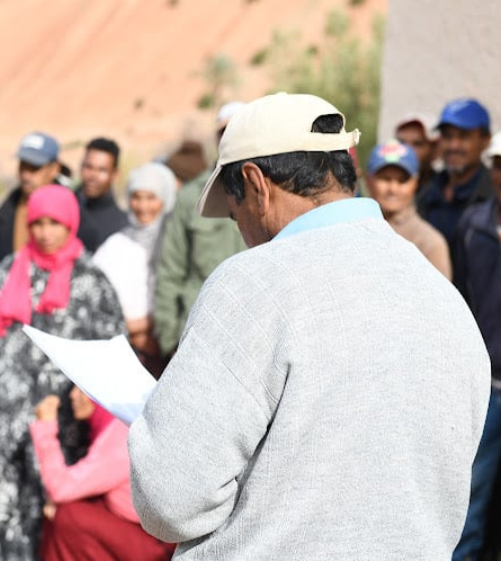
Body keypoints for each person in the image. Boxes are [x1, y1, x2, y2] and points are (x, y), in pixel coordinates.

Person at [128, 92, 490, 559]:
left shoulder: (253, 284)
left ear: (255, 184)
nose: (242, 230)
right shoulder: (444, 299)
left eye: (235, 212)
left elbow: (169, 499)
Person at [0, 184, 124, 561]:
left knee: (51, 512)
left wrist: (89, 401)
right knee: (3, 511)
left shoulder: (91, 281)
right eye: (38, 223)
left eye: (55, 223)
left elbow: (113, 352)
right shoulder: (9, 271)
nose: (46, 232)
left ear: (70, 224)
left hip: (61, 427)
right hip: (3, 422)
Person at [31, 387, 174, 561]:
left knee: (67, 516)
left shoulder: (120, 437)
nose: (72, 395)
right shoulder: (118, 425)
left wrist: (46, 426)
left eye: (82, 389)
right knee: (61, 514)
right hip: (145, 531)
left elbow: (60, 488)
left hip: (157, 545)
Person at [154, 103, 248, 358]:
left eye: (240, 130)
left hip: (252, 332)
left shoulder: (273, 193)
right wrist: (169, 340)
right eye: (225, 132)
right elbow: (170, 271)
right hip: (197, 334)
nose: (232, 138)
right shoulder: (191, 197)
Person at [0, 132, 100, 302]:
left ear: (54, 169)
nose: (26, 175)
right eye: (23, 166)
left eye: (34, 168)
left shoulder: (80, 221)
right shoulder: (0, 219)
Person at [451, 131, 501, 560]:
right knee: (469, 503)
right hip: (488, 390)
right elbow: (463, 301)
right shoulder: (473, 225)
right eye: (499, 163)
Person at [92, 162, 176, 377]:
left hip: (170, 355)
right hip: (121, 354)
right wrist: (133, 330)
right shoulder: (115, 245)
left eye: (151, 198)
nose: (142, 206)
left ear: (166, 200)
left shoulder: (175, 245)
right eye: (136, 197)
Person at [365, 139, 451, 279]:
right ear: (368, 180)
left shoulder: (429, 243)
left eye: (402, 180)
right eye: (385, 179)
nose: (393, 189)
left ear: (415, 183)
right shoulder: (354, 229)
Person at [418, 98, 493, 247]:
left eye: (463, 136)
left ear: (485, 140)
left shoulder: (493, 195)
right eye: (447, 136)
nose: (453, 145)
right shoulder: (427, 191)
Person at [75, 137, 127, 244]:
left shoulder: (121, 225)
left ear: (115, 175)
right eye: (89, 167)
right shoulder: (63, 208)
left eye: (102, 170)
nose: (93, 176)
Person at [393, 113, 441, 191]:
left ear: (435, 151)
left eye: (417, 144)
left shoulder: (443, 194)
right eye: (402, 143)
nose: (407, 150)